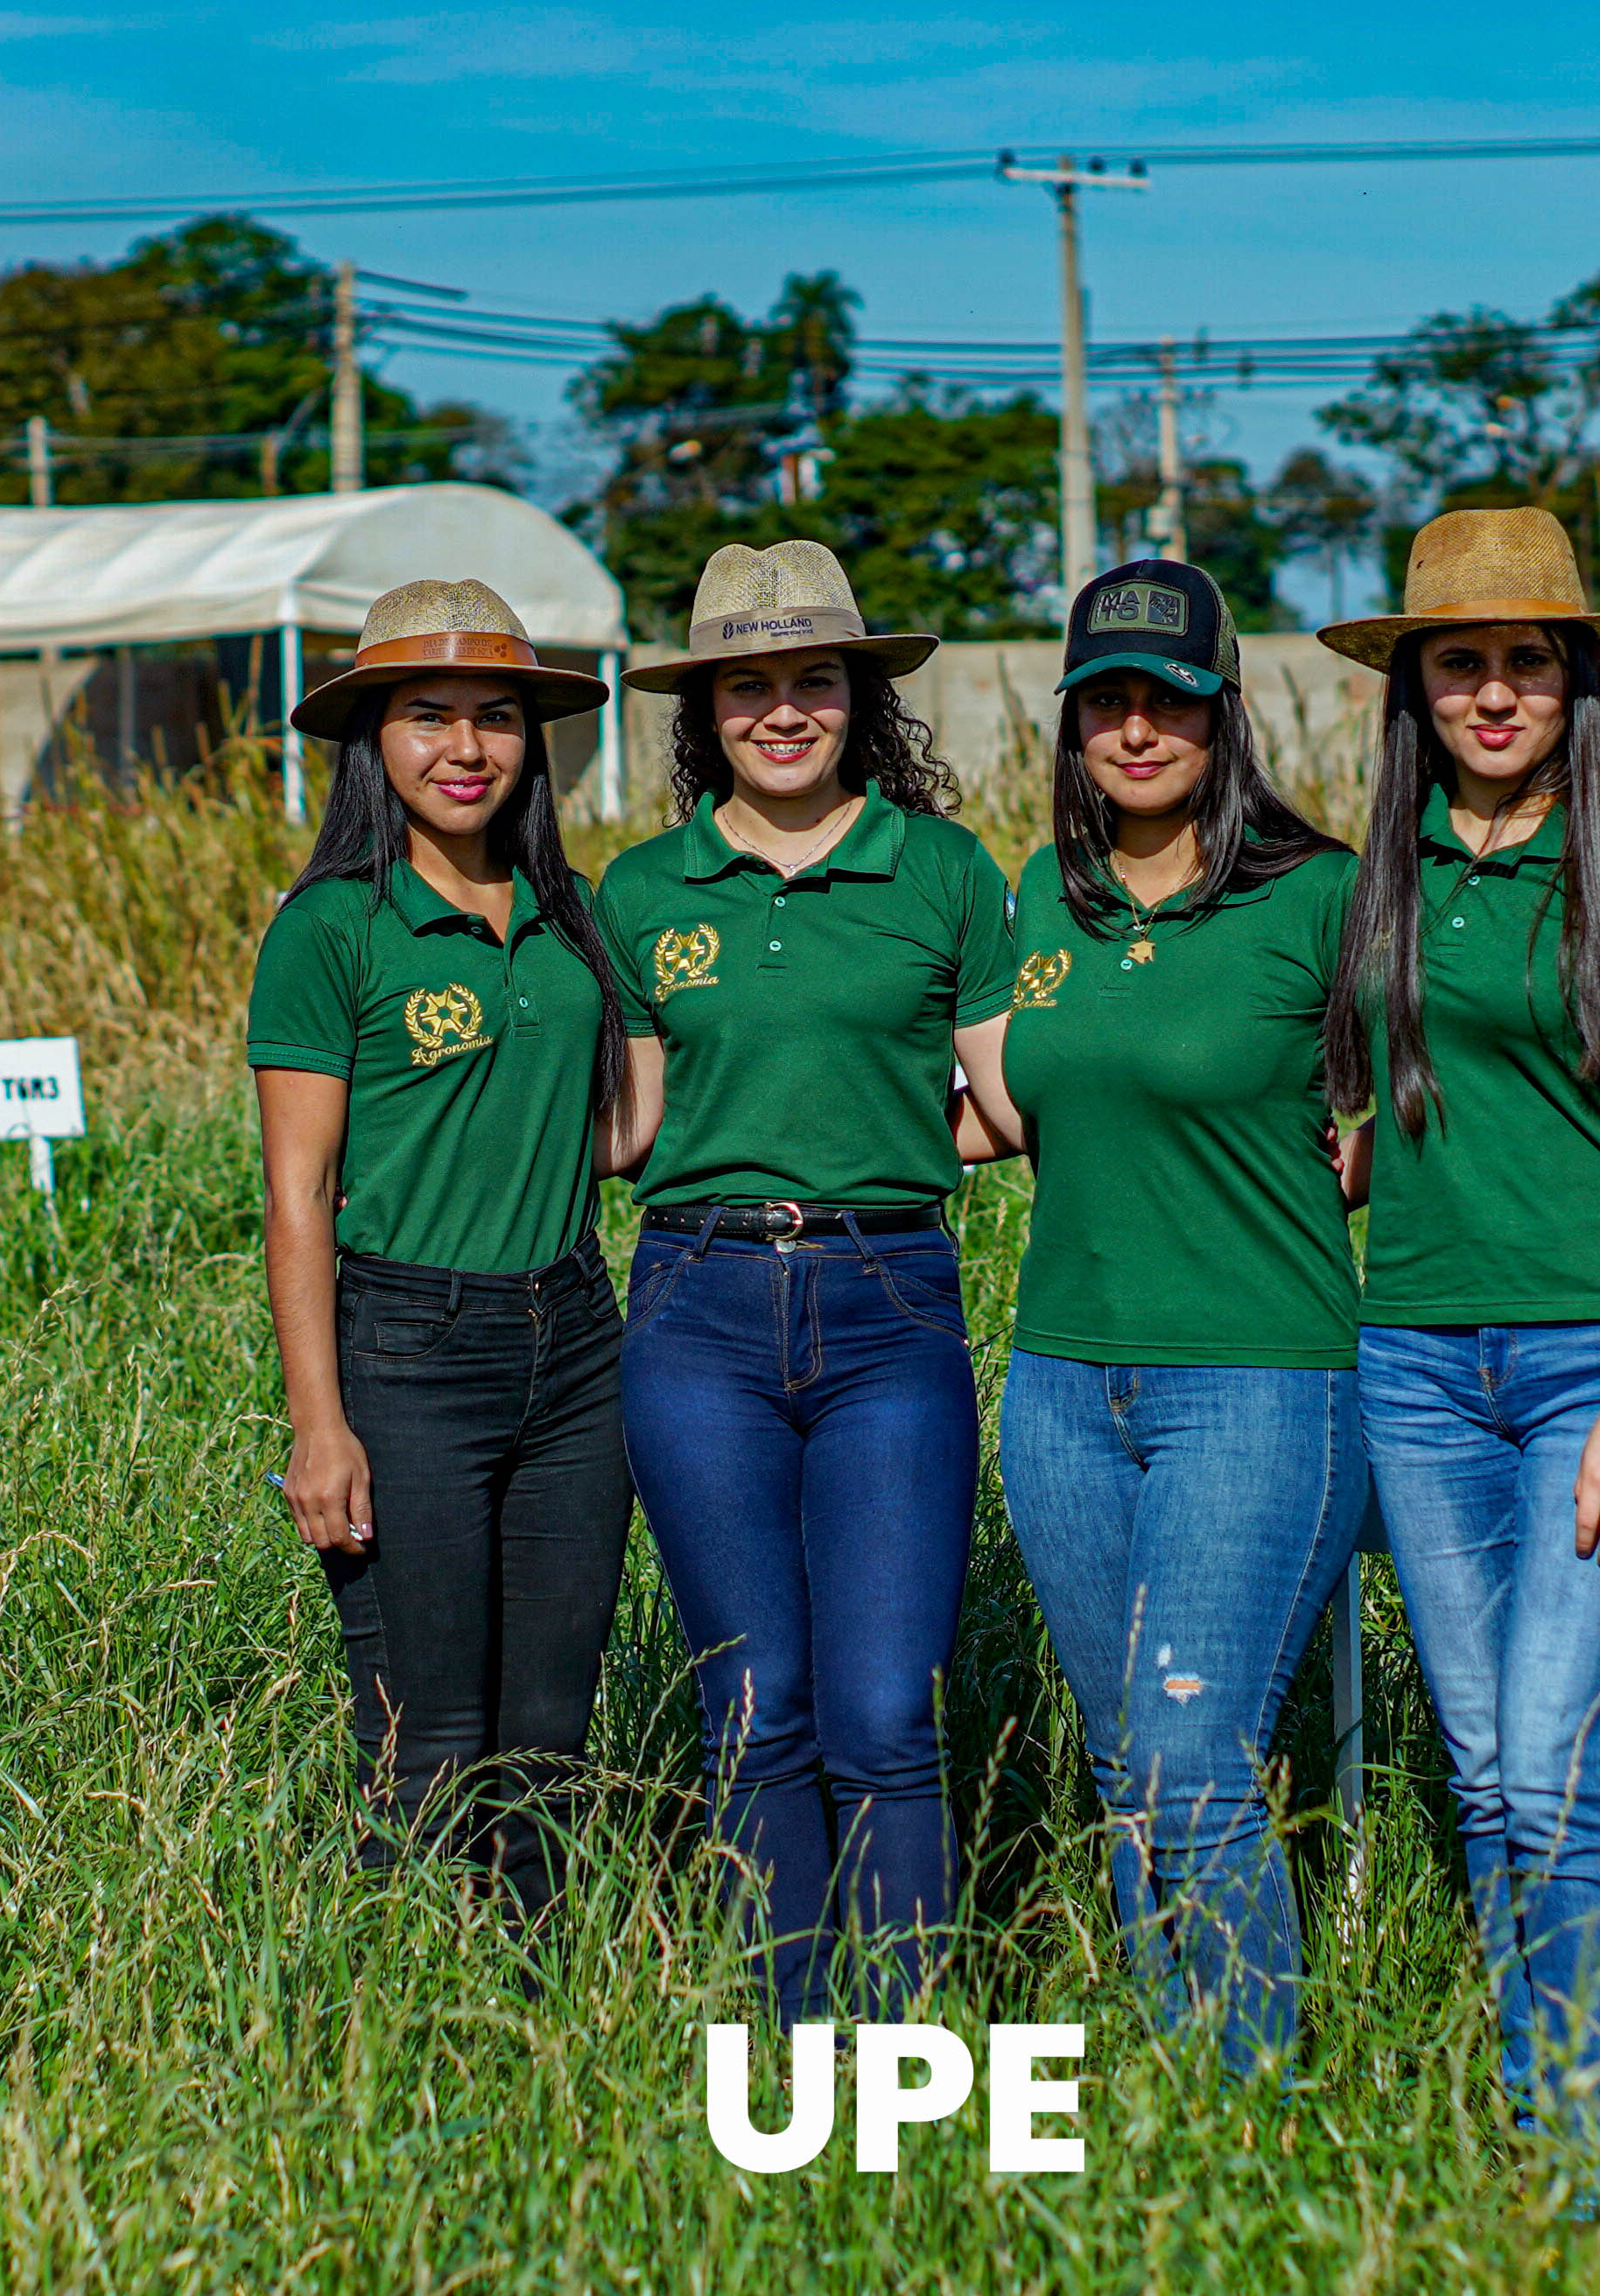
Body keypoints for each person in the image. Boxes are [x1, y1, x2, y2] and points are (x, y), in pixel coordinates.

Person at [1317, 508, 1600, 2159]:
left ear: (1577, 676)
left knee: (1562, 1771)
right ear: (1413, 687)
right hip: (1417, 1363)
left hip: (1599, 1362)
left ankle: (1596, 2161)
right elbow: (1384, 1106)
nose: (1494, 694)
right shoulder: (1387, 864)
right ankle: (1532, 2106)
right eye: (1460, 664)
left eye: (1525, 661)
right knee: (1490, 1770)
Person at [595, 540, 1021, 2020]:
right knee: (755, 1706)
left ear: (861, 698)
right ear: (703, 711)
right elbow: (632, 1125)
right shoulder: (642, 890)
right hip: (694, 1311)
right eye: (749, 686)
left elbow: (1010, 1105)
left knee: (887, 1712)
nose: (784, 712)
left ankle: (907, 2048)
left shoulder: (947, 871)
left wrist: (890, 1149)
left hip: (889, 1307)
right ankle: (792, 2044)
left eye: (813, 682)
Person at [972, 558, 1359, 2081]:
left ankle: (1251, 2098)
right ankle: (1176, 2085)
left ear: (1227, 713)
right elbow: (993, 1108)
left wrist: (1366, 1143)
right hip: (1063, 1382)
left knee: (1196, 1756)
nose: (1138, 731)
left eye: (1171, 701)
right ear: (1073, 723)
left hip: (1260, 1380)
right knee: (1131, 1763)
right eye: (1107, 703)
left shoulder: (1318, 891)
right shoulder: (1037, 897)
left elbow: (1424, 1082)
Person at [248, 578, 635, 1936]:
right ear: (374, 740)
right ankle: (402, 2027)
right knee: (426, 1737)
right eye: (428, 717)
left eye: (494, 718)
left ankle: (534, 2010)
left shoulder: (570, 914)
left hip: (579, 1346)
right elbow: (299, 1195)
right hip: (408, 1352)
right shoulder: (332, 929)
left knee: (548, 1733)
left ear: (534, 743)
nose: (464, 749)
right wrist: (320, 1426)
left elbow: (619, 1130)